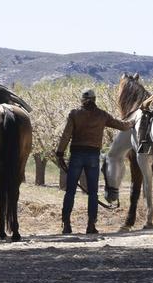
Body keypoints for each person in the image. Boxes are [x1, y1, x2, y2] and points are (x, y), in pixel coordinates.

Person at [55, 89, 131, 235]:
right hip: (93, 157)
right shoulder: (102, 115)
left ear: (82, 99)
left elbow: (66, 135)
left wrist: (59, 153)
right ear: (95, 99)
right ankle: (91, 225)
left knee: (70, 191)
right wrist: (134, 122)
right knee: (93, 193)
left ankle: (66, 224)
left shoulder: (74, 114)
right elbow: (122, 125)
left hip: (76, 154)